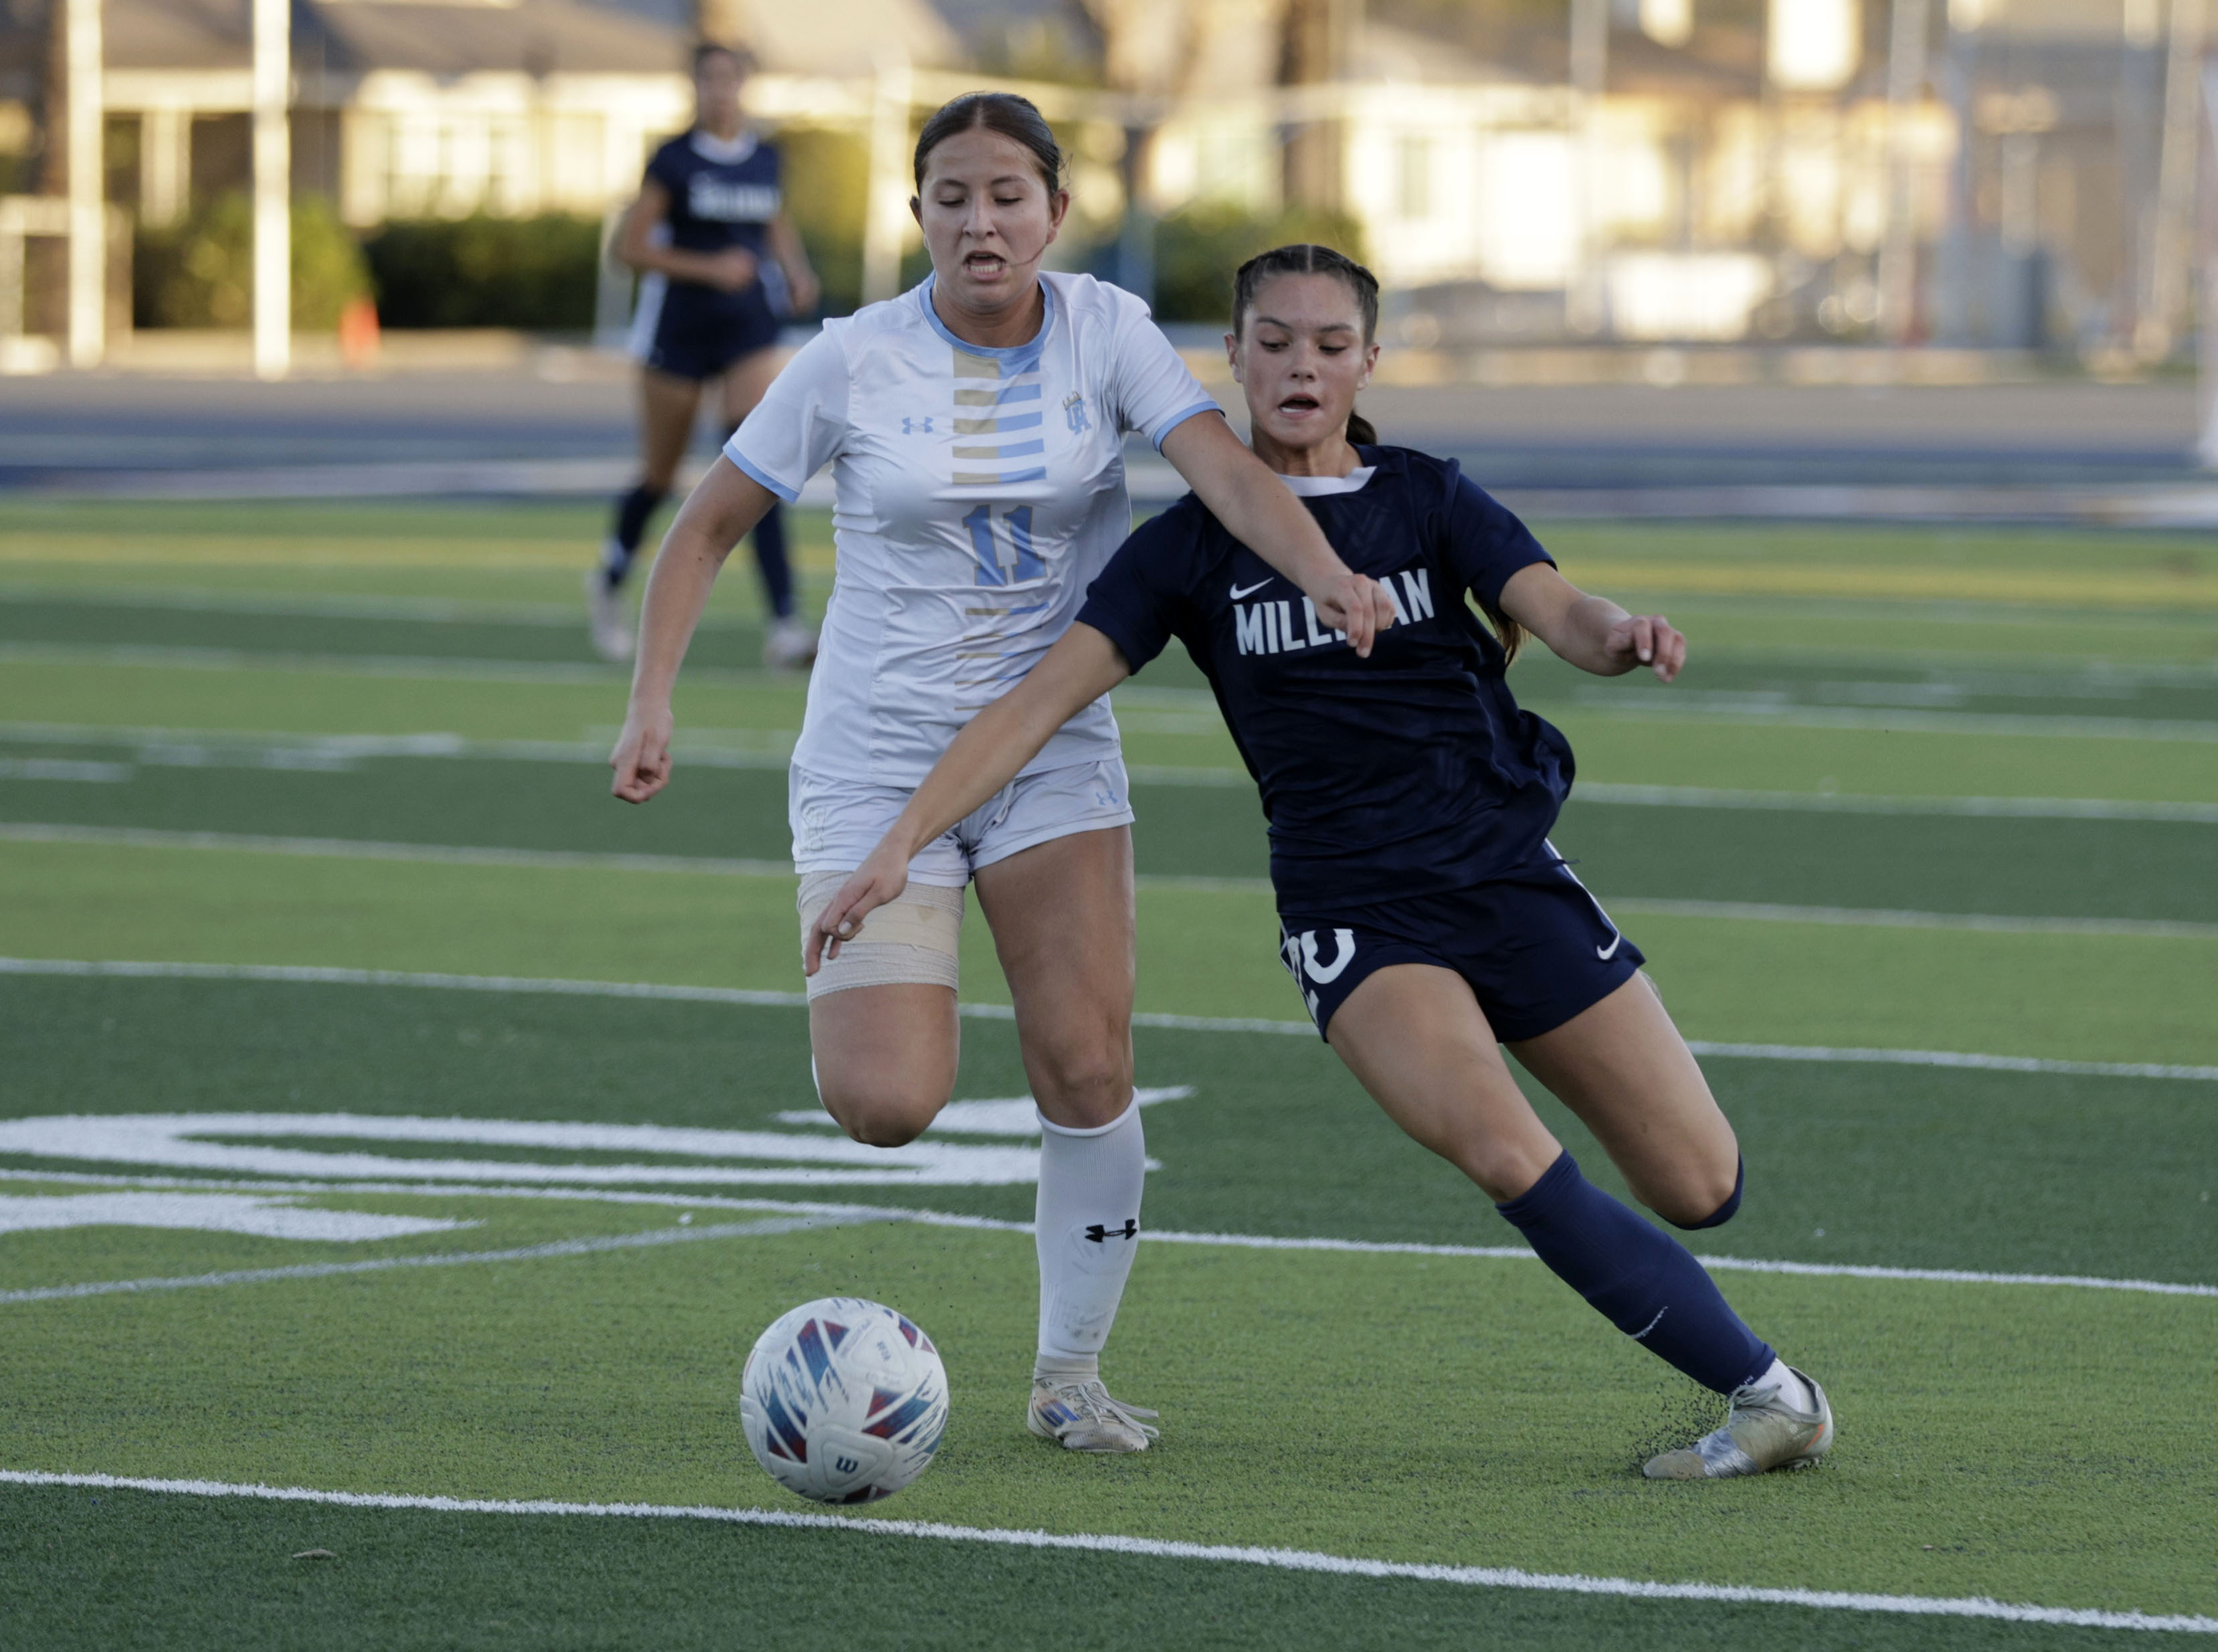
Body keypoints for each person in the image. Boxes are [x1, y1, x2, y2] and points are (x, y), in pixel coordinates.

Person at [806, 244, 1837, 1481]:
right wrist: (897, 845)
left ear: (1370, 361)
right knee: (1508, 1151)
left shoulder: (1427, 496)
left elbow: (1559, 609)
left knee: (1698, 1178)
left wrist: (1623, 635)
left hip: (1506, 871)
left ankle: (1742, 1359)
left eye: (1330, 343)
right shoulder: (1188, 547)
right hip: (1358, 914)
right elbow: (1033, 706)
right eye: (1276, 342)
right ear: (1230, 360)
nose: (1302, 365)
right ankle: (1773, 1395)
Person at [609, 100, 1398, 1455]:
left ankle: (1068, 1376)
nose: (983, 222)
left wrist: (1325, 570)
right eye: (953, 196)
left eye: (1009, 196)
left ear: (1054, 210)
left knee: (1088, 1064)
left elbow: (1219, 470)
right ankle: (879, 980)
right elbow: (706, 527)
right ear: (916, 213)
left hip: (1049, 749)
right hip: (874, 758)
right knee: (887, 1105)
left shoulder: (1106, 330)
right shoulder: (850, 357)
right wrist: (652, 700)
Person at [587, 43, 822, 670]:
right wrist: (706, 266)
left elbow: (774, 222)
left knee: (755, 466)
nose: (721, 90)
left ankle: (784, 624)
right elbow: (630, 249)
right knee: (661, 476)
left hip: (749, 327)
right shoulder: (674, 160)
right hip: (679, 330)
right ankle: (609, 583)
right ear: (694, 87)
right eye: (709, 79)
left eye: (731, 79)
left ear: (746, 86)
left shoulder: (767, 158)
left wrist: (795, 272)